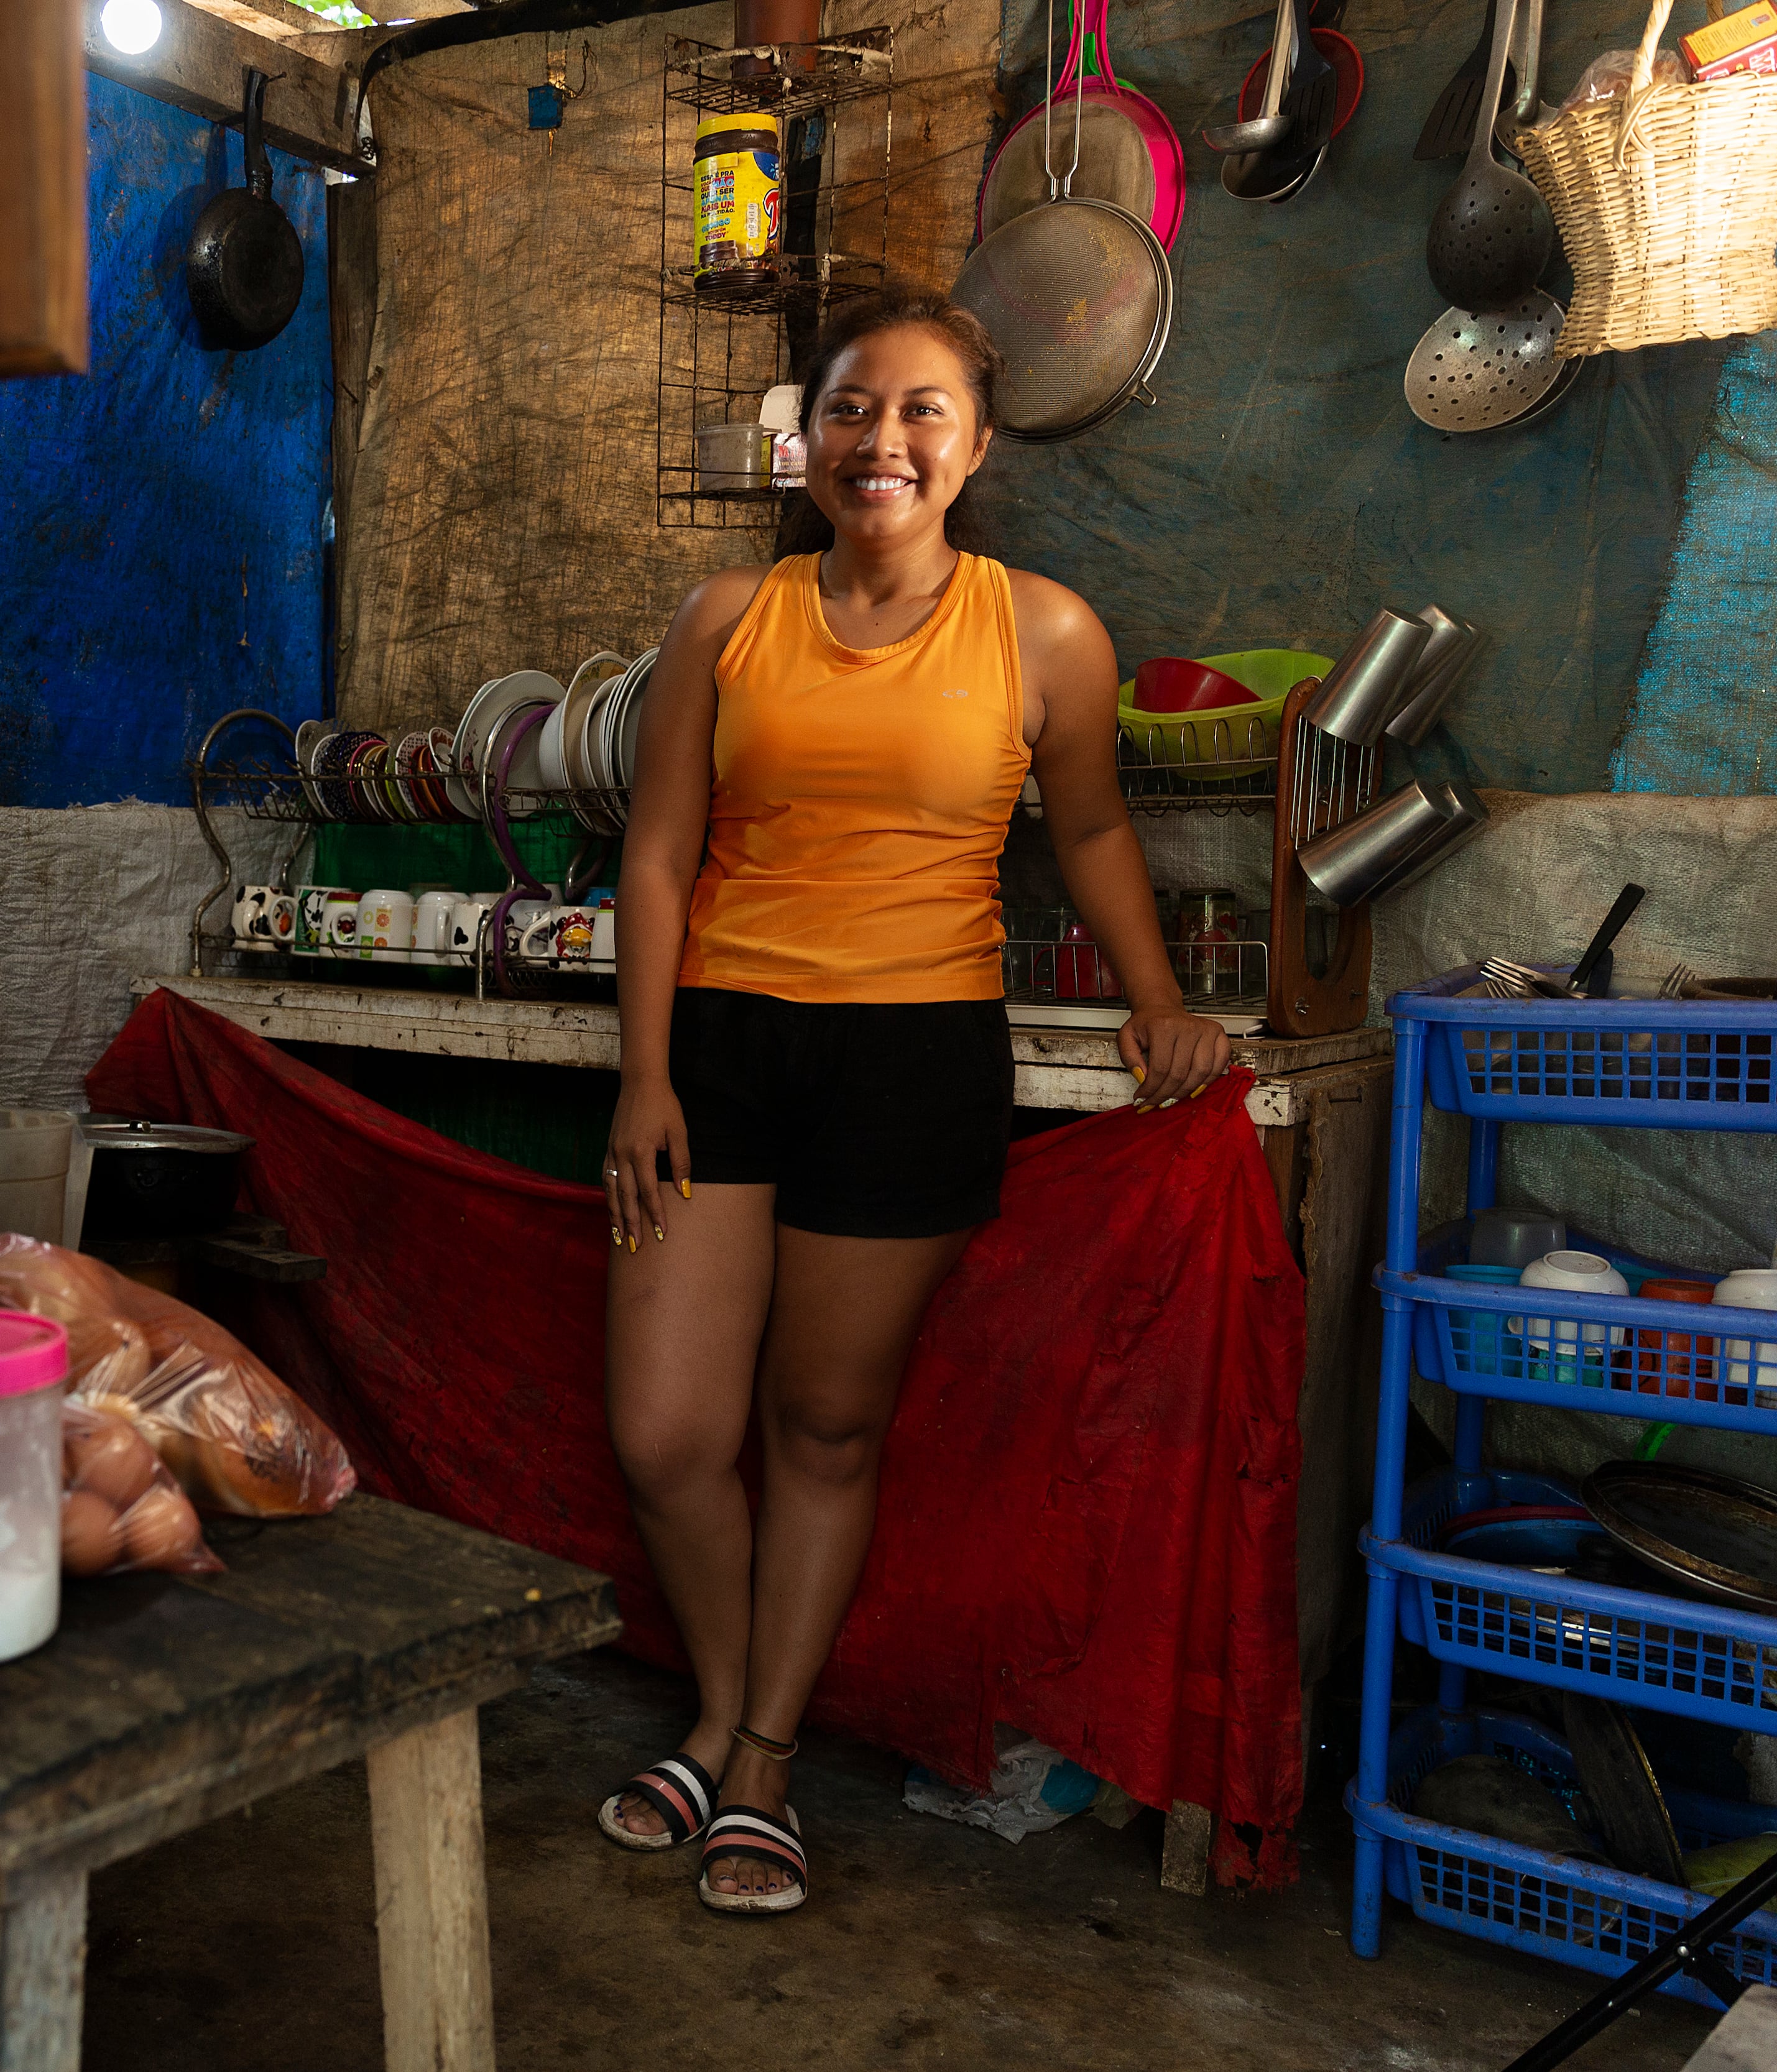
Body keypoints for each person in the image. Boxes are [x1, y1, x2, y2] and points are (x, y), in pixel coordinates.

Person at [593, 287, 1232, 1914]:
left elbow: (1086, 834)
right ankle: (739, 1717)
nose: (885, 440)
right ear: (808, 438)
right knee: (669, 1433)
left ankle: (757, 1760)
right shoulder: (725, 617)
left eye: (922, 410)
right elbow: (657, 850)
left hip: (911, 1053)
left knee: (820, 1425)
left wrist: (1160, 1002)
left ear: (977, 442)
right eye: (856, 409)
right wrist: (646, 1074)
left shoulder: (1046, 634)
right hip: (723, 1042)